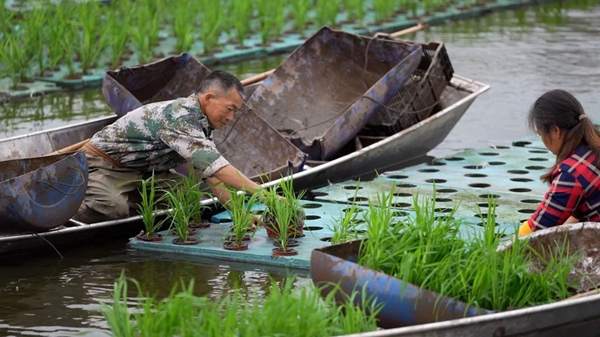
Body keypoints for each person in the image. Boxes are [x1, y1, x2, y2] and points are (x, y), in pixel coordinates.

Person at [75, 70, 262, 223]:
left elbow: (211, 175)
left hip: (145, 171)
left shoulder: (202, 125)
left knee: (187, 195)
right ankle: (70, 208)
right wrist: (267, 196)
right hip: (104, 165)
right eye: (230, 109)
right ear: (209, 98)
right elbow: (219, 168)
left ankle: (128, 207)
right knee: (111, 207)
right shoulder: (180, 118)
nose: (230, 118)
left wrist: (239, 213)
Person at [519, 89, 600, 237]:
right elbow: (576, 214)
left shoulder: (572, 172)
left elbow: (537, 229)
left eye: (541, 134)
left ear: (555, 131)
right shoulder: (594, 148)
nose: (542, 140)